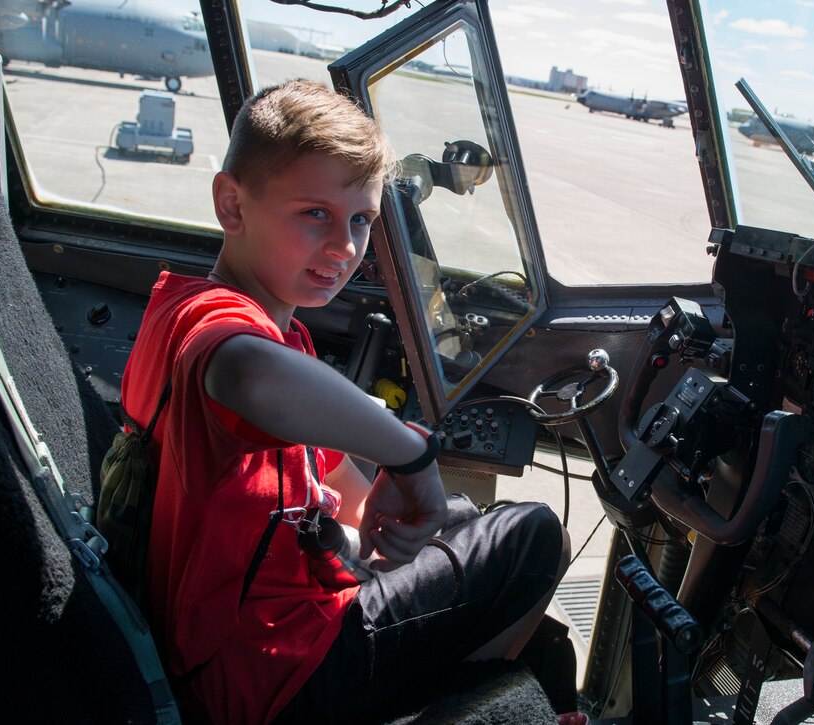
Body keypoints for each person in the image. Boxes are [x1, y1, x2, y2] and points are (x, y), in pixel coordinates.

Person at [120, 79, 570, 724]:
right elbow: (248, 376)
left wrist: (399, 524)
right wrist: (413, 457)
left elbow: (329, 473)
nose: (344, 247)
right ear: (232, 205)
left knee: (465, 517)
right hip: (266, 672)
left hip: (257, 647)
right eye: (314, 214)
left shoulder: (267, 329)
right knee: (532, 534)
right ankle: (453, 708)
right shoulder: (209, 321)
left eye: (360, 219)